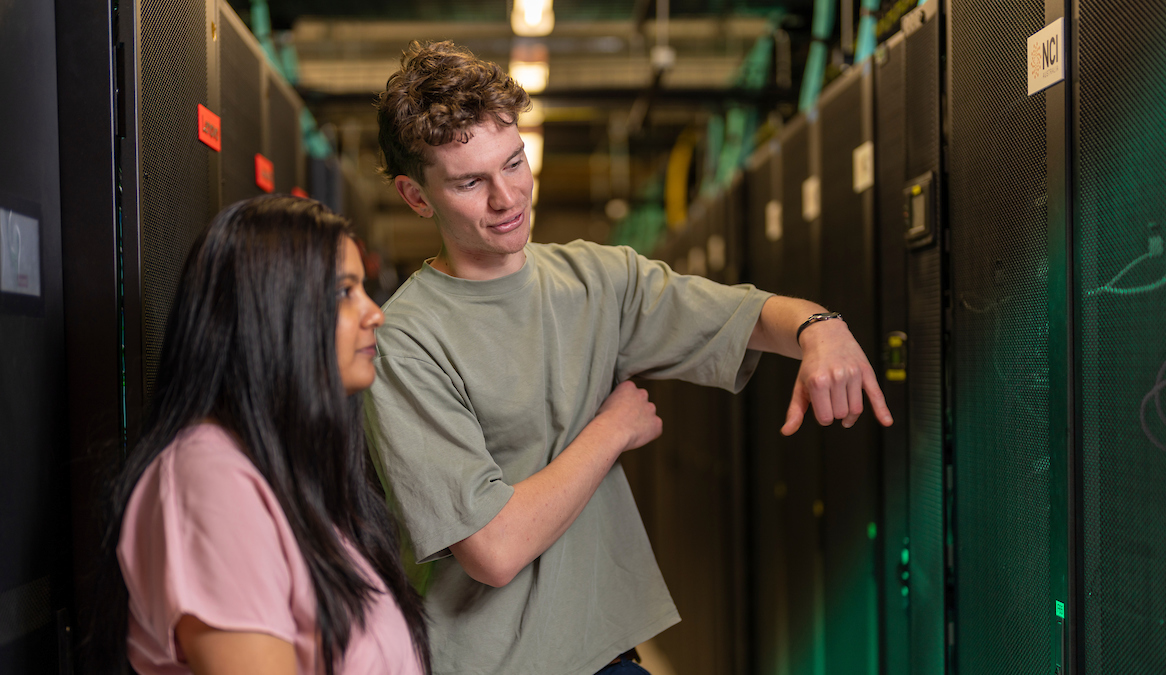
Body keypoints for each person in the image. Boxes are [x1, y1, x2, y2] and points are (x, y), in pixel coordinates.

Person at [368, 41, 892, 675]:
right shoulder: (406, 339)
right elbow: (493, 548)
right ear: (416, 196)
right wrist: (612, 430)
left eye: (514, 163)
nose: (507, 199)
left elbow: (742, 314)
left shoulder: (597, 279)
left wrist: (819, 327)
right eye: (470, 182)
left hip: (606, 652)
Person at [92, 195, 431, 674]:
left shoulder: (286, 476)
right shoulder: (209, 483)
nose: (375, 312)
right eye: (343, 292)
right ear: (271, 315)